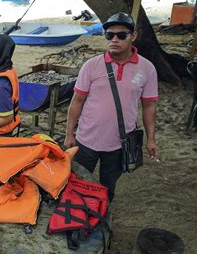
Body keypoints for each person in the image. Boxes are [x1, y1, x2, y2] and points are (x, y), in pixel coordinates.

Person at [64, 12, 159, 202]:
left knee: (108, 189)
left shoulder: (147, 69)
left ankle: (101, 221)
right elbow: (77, 101)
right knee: (76, 185)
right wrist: (69, 134)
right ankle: (77, 221)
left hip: (119, 144)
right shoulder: (91, 66)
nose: (114, 39)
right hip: (86, 140)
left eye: (121, 35)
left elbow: (149, 106)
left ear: (133, 37)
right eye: (109, 35)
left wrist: (151, 139)